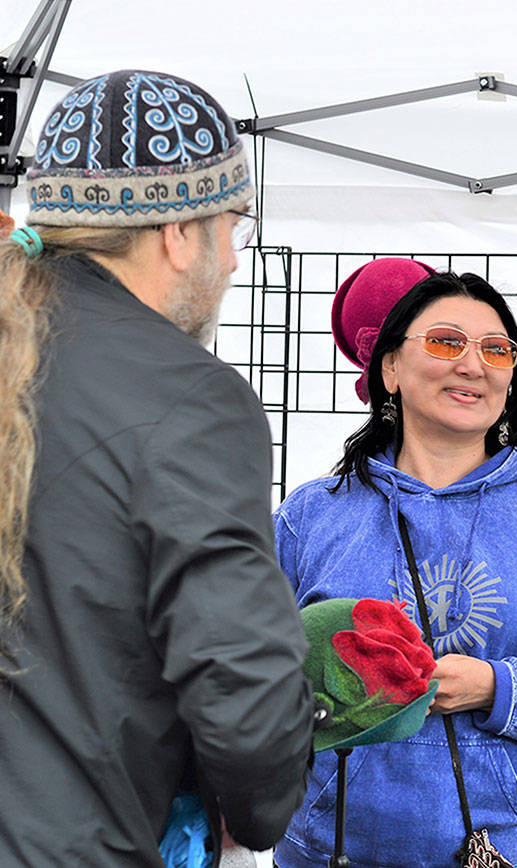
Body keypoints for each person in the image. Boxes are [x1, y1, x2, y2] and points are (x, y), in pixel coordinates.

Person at [0, 70, 315, 864]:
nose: (236, 262)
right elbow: (245, 691)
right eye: (234, 225)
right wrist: (262, 806)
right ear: (178, 233)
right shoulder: (191, 399)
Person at [273, 269, 517, 867]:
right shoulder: (314, 516)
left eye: (496, 349)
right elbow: (244, 674)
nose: (472, 364)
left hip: (510, 851)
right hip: (331, 849)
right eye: (445, 341)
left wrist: (497, 687)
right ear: (389, 369)